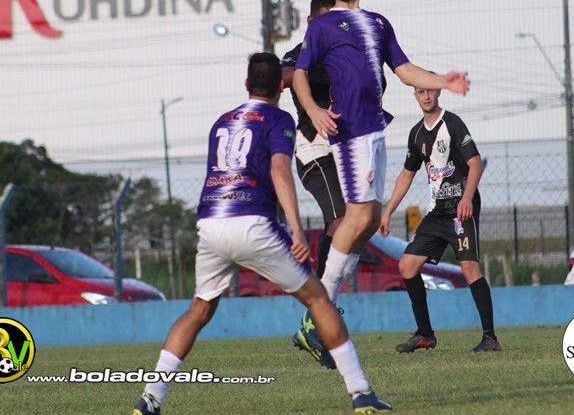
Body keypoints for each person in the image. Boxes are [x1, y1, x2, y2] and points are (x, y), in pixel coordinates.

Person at [133, 53, 391, 415]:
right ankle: (361, 393)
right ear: (281, 88)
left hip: (211, 222)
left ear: (246, 84)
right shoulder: (279, 119)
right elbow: (280, 171)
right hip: (252, 222)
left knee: (199, 309)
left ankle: (150, 399)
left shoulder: (222, 121)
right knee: (319, 300)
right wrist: (297, 230)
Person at [291, 0, 469, 367]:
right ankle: (318, 313)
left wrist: (443, 80)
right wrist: (314, 110)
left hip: (374, 130)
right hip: (349, 129)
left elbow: (404, 70)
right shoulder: (323, 25)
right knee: (355, 218)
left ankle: (320, 310)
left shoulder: (378, 23)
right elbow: (298, 73)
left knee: (369, 220)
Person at [379, 86, 500, 354]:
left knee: (469, 269)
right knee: (407, 266)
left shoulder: (453, 124)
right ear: (415, 96)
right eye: (420, 91)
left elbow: (475, 162)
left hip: (461, 209)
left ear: (438, 93)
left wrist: (467, 198)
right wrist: (387, 212)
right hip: (437, 212)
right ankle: (425, 334)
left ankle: (490, 338)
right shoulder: (416, 134)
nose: (426, 96)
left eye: (430, 91)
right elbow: (406, 175)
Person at [280, 0, 345, 279]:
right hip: (314, 150)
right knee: (340, 218)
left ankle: (329, 289)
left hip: (346, 147)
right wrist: (309, 69)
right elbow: (283, 77)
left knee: (362, 220)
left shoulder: (349, 52)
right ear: (310, 22)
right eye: (324, 23)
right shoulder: (299, 54)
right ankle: (322, 293)